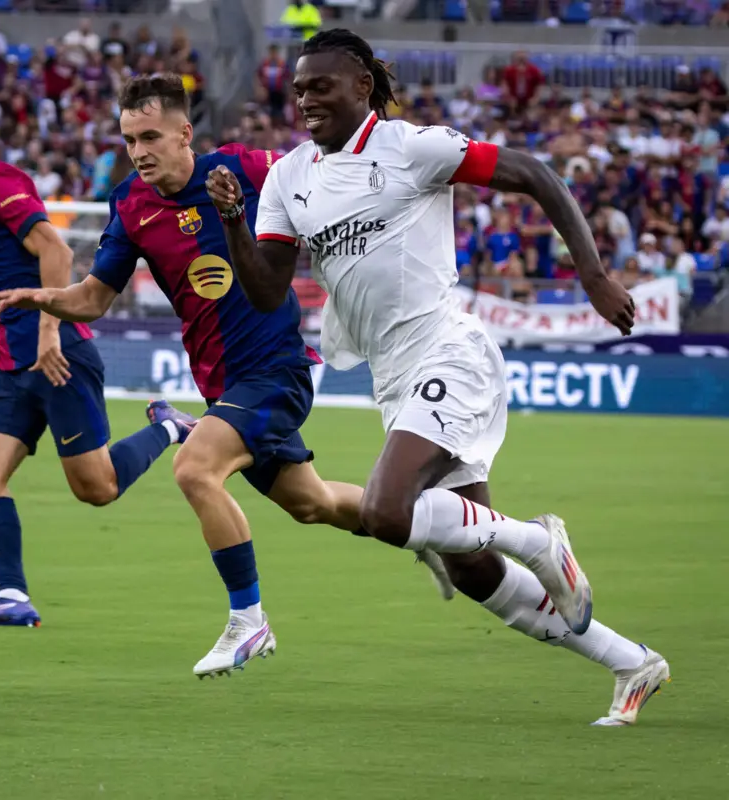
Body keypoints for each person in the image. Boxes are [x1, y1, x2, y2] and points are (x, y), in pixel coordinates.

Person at [206, 29, 669, 726]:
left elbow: (535, 174)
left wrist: (594, 275)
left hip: (447, 351)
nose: (304, 100)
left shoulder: (411, 148)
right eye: (298, 89)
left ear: (362, 86)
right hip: (392, 377)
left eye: (320, 86)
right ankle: (631, 661)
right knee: (471, 567)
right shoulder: (288, 176)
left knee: (386, 514)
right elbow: (269, 290)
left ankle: (539, 540)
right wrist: (235, 223)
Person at [0, 74, 450, 679]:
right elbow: (95, 298)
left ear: (185, 133)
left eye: (150, 136)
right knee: (311, 503)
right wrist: (41, 298)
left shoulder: (244, 167)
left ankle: (248, 620)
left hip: (276, 370)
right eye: (129, 139)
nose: (139, 151)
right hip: (223, 386)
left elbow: (327, 174)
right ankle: (429, 527)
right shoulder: (130, 203)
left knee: (194, 467)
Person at [0, 98, 181, 627]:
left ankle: (170, 428)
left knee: (97, 489)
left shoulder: (2, 185)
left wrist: (49, 328)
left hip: (60, 356)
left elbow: (58, 252)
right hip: (12, 367)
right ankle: (13, 597)